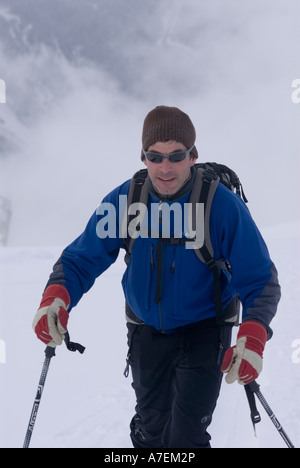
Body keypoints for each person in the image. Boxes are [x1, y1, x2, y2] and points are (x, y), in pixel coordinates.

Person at [32, 105, 281, 448]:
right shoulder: (125, 201)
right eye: (155, 156)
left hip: (206, 329)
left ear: (192, 156)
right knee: (152, 431)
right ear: (143, 156)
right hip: (145, 329)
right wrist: (56, 297)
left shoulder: (220, 206)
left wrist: (253, 334)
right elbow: (81, 258)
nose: (165, 167)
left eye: (176, 156)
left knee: (187, 437)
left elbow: (259, 278)